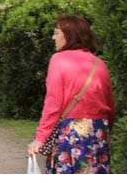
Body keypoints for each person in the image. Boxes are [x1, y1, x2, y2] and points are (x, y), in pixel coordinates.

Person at [27, 14, 115, 174]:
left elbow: (53, 104)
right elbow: (110, 106)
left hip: (72, 134)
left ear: (70, 35)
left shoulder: (59, 60)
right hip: (99, 134)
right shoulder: (100, 64)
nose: (53, 38)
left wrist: (40, 139)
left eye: (57, 33)